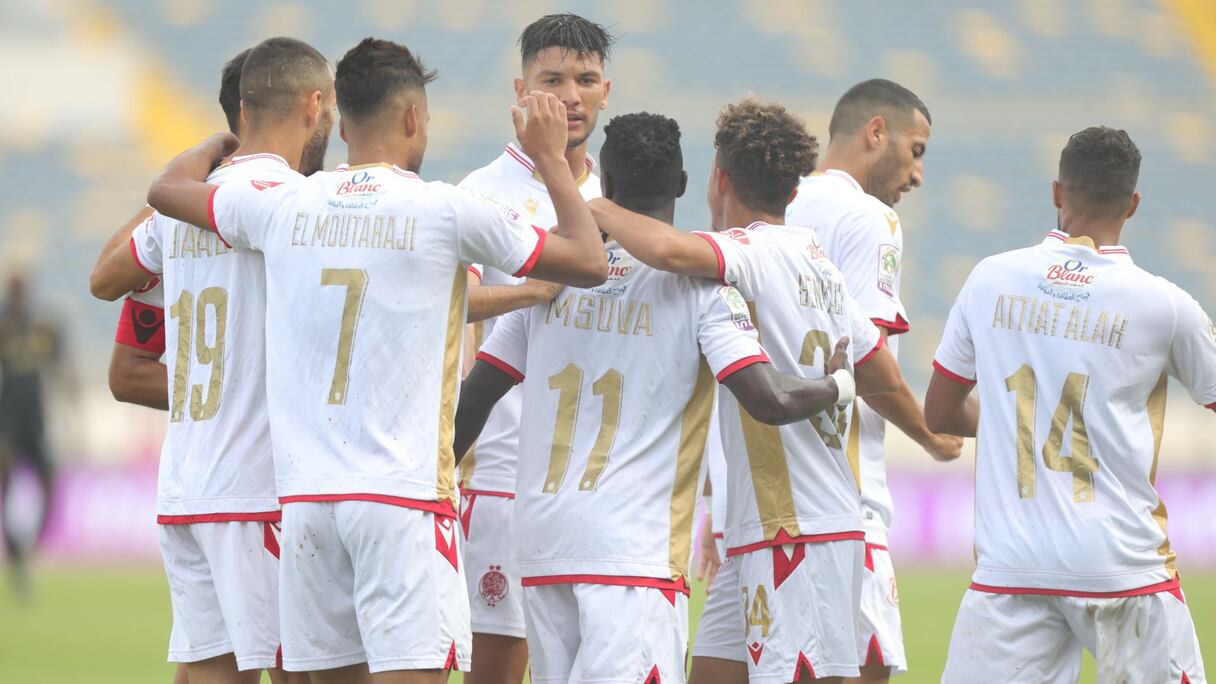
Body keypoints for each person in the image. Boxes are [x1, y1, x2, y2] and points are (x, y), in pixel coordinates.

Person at [144, 37, 607, 684]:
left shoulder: (284, 205)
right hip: (400, 500)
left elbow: (166, 191)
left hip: (308, 505)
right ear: (414, 118)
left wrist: (214, 146)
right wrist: (551, 159)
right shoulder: (443, 208)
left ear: (340, 123)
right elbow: (587, 261)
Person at [455, 111, 868, 684]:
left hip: (543, 547)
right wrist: (838, 385)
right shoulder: (703, 290)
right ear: (682, 183)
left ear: (608, 185)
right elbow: (764, 396)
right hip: (635, 558)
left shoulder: (551, 285)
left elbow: (473, 399)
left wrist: (433, 486)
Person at [590, 99, 909, 683]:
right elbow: (884, 374)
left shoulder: (748, 252)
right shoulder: (821, 264)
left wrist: (593, 203)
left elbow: (666, 249)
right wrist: (841, 384)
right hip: (764, 529)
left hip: (800, 527)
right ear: (793, 191)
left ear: (719, 180)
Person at [925, 126, 1211, 683]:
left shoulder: (990, 278)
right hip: (1122, 565)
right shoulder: (1163, 304)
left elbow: (938, 414)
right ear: (1133, 204)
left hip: (1012, 567)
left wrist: (1014, 427)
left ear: (1057, 192)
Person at [90, 37, 333, 684]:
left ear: (241, 112)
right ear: (314, 106)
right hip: (260, 488)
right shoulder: (299, 205)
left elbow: (104, 277)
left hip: (187, 486)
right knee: (304, 670)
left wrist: (193, 163)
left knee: (209, 672)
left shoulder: (181, 210)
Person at [784, 78, 961, 682]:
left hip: (762, 494)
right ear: (876, 132)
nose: (918, 175)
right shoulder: (870, 218)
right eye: (916, 151)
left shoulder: (775, 205)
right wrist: (928, 435)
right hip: (842, 496)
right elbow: (867, 357)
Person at [455, 13, 613, 683]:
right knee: (498, 667)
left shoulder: (615, 197)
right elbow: (450, 304)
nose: (571, 96)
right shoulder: (480, 193)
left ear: (606, 91)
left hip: (600, 484)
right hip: (503, 474)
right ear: (521, 92)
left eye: (586, 80)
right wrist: (530, 292)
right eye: (552, 80)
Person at [104, 48, 251, 413]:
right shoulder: (178, 216)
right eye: (324, 106)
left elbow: (101, 280)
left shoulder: (178, 211)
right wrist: (243, 397)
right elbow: (103, 282)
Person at [0, 275, 65, 596]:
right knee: (7, 483)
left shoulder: (39, 326)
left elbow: (58, 360)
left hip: (36, 421)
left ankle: (28, 549)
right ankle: (15, 552)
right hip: (8, 421)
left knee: (49, 482)